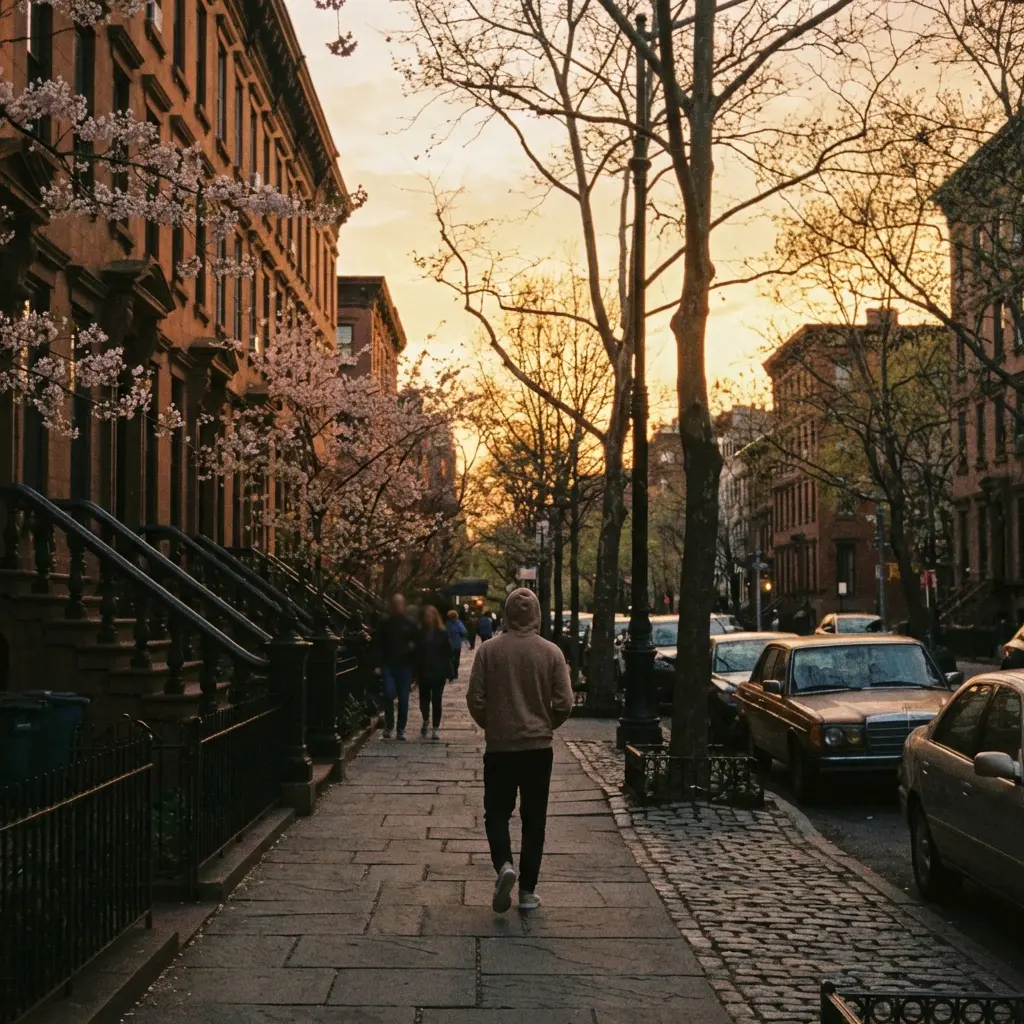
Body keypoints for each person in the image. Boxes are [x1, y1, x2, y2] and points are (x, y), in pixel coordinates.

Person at [467, 588, 573, 915]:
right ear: (537, 613)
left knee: (496, 813)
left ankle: (503, 865)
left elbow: (475, 698)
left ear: (508, 613)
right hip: (538, 748)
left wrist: (493, 725)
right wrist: (546, 724)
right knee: (534, 819)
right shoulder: (551, 653)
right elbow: (565, 703)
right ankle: (527, 892)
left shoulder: (489, 651)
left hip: (500, 748)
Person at [374, 593, 420, 741]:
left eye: (400, 603)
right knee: (388, 694)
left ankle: (400, 729)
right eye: (395, 603)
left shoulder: (409, 623)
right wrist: (378, 664)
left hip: (405, 665)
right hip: (388, 664)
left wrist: (413, 654)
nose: (397, 606)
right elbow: (378, 644)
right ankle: (389, 725)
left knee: (404, 698)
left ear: (404, 605)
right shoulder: (385, 623)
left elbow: (417, 644)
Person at [418, 605, 451, 740]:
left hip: (438, 671)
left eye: (431, 615)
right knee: (424, 699)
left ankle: (435, 728)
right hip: (424, 670)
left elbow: (448, 652)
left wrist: (446, 669)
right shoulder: (420, 632)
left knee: (437, 700)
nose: (428, 618)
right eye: (426, 616)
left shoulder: (442, 633)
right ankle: (425, 720)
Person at [446, 609, 468, 681]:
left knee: (452, 660)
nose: (453, 618)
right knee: (454, 660)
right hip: (455, 644)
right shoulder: (458, 623)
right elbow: (464, 631)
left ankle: (452, 675)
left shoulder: (448, 623)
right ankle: (454, 674)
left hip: (451, 644)